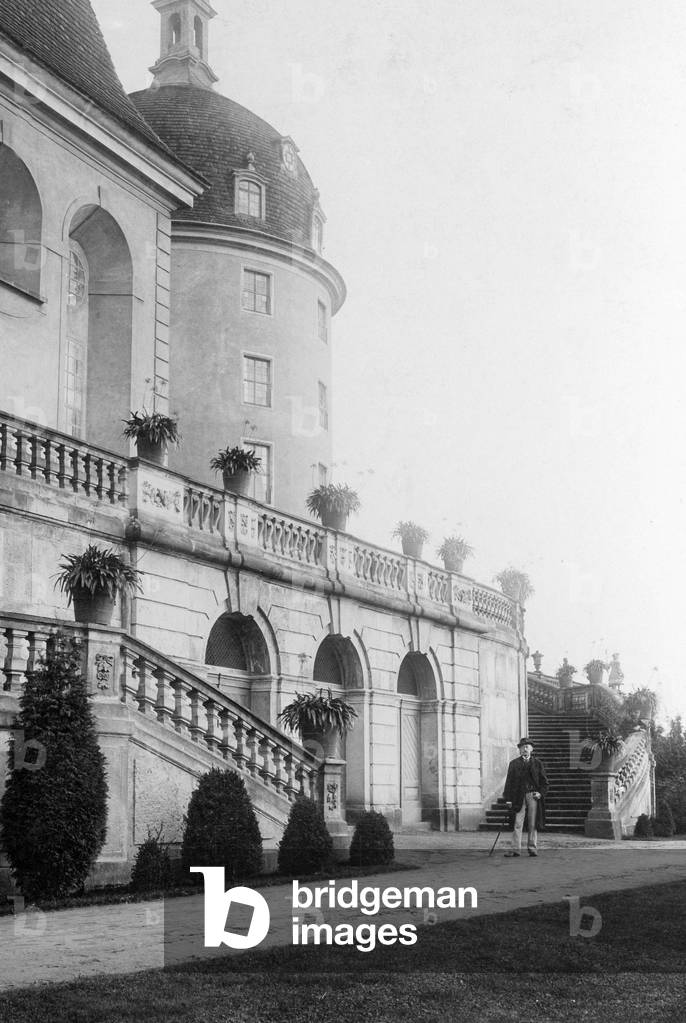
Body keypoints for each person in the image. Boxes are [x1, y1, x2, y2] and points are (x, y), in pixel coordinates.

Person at [502, 737, 547, 857]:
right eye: (522, 747)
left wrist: (540, 793)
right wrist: (508, 799)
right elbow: (509, 782)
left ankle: (532, 848)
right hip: (518, 796)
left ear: (532, 749)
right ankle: (515, 849)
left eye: (527, 747)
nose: (524, 749)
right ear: (519, 750)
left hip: (533, 796)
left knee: (532, 823)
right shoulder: (514, 764)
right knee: (518, 822)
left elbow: (544, 782)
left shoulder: (538, 763)